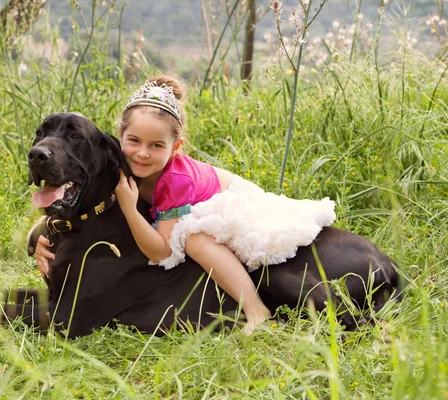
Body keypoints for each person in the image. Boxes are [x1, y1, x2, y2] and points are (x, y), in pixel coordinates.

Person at [35, 75, 336, 335]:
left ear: (175, 147)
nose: (141, 154)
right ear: (121, 138)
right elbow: (82, 206)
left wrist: (129, 207)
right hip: (194, 206)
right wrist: (40, 234)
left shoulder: (174, 180)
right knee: (191, 236)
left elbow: (161, 248)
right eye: (134, 141)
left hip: (233, 206)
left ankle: (256, 311)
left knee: (195, 240)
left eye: (156, 145)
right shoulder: (127, 163)